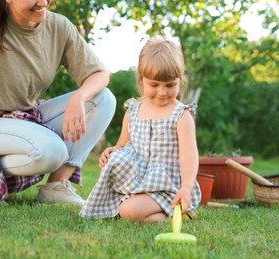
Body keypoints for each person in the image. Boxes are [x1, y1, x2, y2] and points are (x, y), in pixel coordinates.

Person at [0, 0, 116, 205]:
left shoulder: (58, 27)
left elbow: (99, 74)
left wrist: (79, 97)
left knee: (103, 99)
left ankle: (56, 187)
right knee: (53, 151)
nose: (42, 2)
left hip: (26, 117)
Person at [80, 38, 201, 222]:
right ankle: (161, 210)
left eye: (170, 85)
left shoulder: (181, 115)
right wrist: (111, 151)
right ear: (141, 78)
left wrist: (186, 187)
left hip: (167, 185)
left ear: (180, 80)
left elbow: (189, 155)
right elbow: (123, 145)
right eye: (154, 85)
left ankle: (177, 211)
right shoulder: (133, 111)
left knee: (128, 211)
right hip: (135, 181)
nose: (162, 92)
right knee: (118, 207)